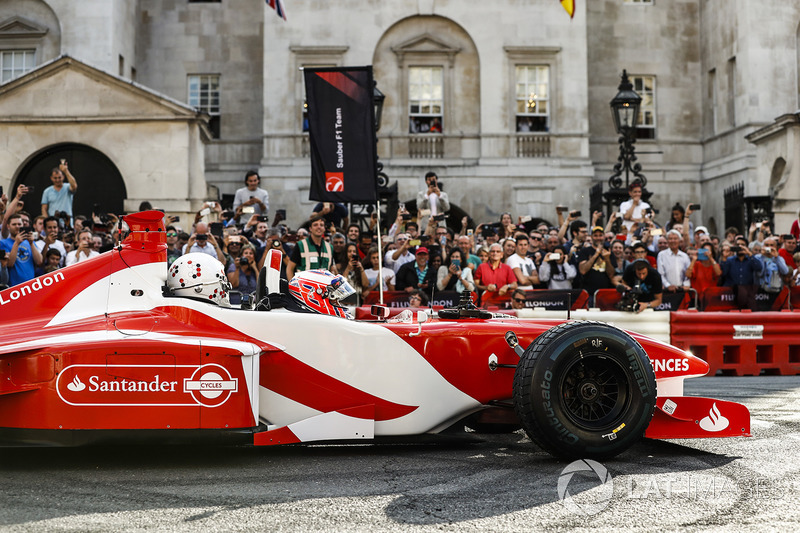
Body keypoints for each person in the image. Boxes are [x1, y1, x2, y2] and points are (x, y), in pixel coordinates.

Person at [0, 213, 42, 285]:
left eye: (19, 224)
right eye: (14, 224)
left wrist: (31, 243)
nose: (17, 226)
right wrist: (16, 243)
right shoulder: (3, 243)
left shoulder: (30, 242)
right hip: (13, 286)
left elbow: (39, 262)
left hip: (30, 285)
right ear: (8, 226)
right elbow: (9, 264)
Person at [720, 237, 762, 309]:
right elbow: (723, 273)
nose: (740, 247)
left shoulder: (751, 259)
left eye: (742, 245)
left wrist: (749, 253)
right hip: (731, 294)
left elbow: (759, 267)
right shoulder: (729, 260)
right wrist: (724, 258)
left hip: (747, 294)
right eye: (738, 245)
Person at [577, 226, 614, 305]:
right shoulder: (585, 251)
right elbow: (583, 270)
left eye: (600, 235)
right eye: (595, 235)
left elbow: (611, 274)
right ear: (591, 237)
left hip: (605, 293)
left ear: (604, 236)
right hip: (588, 293)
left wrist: (607, 259)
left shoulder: (609, 252)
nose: (598, 238)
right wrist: (595, 255)